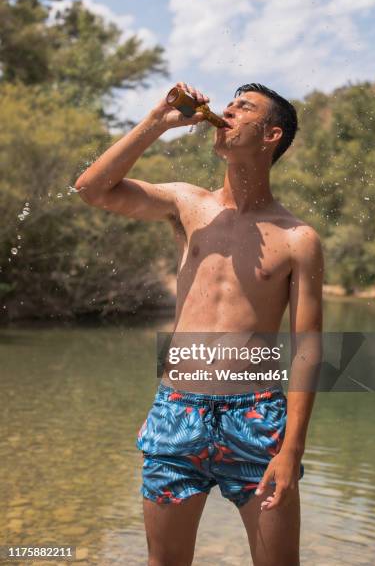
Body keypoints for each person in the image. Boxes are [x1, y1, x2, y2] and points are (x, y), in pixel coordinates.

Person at [75, 81, 324, 566]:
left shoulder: (299, 239)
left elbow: (308, 350)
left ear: (271, 135)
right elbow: (92, 189)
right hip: (177, 414)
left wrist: (291, 450)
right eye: (228, 103)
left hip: (255, 419)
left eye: (242, 107)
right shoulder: (190, 205)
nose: (226, 110)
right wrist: (157, 121)